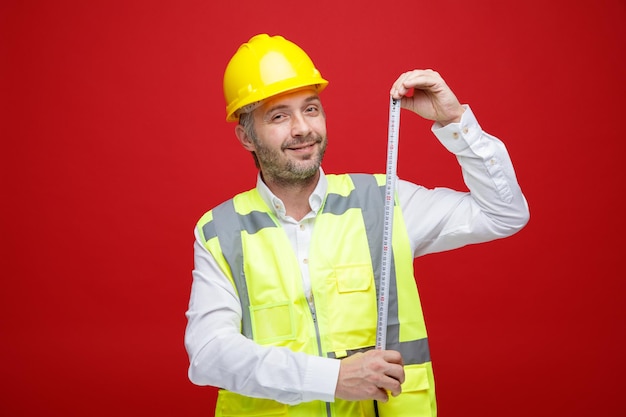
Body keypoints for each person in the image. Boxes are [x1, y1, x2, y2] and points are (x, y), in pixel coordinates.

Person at [184, 33, 529, 417]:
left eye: (311, 109)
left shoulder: (384, 202)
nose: (302, 129)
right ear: (245, 136)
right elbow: (208, 354)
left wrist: (454, 122)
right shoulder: (220, 231)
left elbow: (504, 213)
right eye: (279, 115)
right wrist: (332, 378)